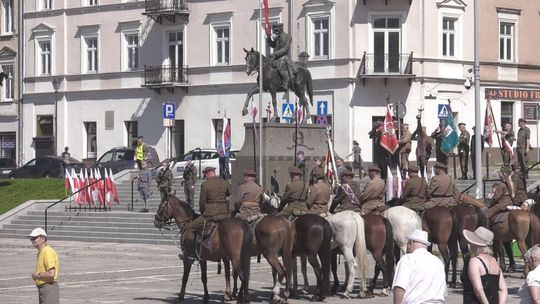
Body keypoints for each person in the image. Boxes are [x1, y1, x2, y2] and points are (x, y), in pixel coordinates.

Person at [182, 166, 231, 262]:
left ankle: (192, 254)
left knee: (190, 229)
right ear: (214, 172)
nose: (205, 177)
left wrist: (203, 212)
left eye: (205, 175)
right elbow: (229, 194)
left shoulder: (205, 185)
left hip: (210, 214)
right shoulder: (225, 183)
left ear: (207, 174)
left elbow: (202, 202)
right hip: (224, 212)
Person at [392, 229, 447, 304]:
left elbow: (399, 289)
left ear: (411, 243)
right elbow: (443, 292)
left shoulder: (407, 259)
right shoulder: (438, 262)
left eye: (407, 243)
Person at [462, 227, 507, 304]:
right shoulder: (494, 261)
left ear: (475, 244)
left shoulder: (475, 261)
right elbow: (503, 289)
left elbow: (478, 290)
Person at [28, 227, 60, 304]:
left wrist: (37, 275)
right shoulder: (41, 252)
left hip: (48, 287)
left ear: (43, 239)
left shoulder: (47, 252)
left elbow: (51, 274)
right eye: (31, 239)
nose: (32, 241)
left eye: (34, 238)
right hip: (44, 287)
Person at [266, 23, 294, 90]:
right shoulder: (277, 38)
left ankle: (286, 82)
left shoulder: (287, 37)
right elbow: (273, 45)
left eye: (276, 30)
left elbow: (286, 48)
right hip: (276, 57)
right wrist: (268, 38)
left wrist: (275, 53)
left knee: (280, 67)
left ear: (281, 28)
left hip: (284, 57)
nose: (275, 31)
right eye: (275, 30)